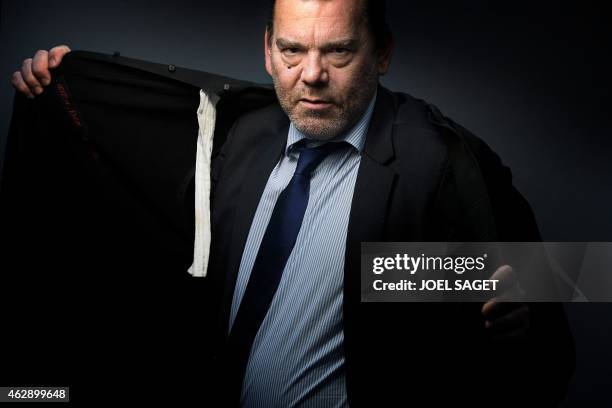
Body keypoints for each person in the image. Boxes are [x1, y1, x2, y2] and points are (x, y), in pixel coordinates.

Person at [9, 0, 574, 406]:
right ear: (267, 51)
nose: (311, 76)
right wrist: (65, 91)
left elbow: (559, 293)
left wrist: (508, 315)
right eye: (292, 49)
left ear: (382, 53)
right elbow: (135, 210)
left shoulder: (444, 160)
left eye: (340, 51)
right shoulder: (238, 138)